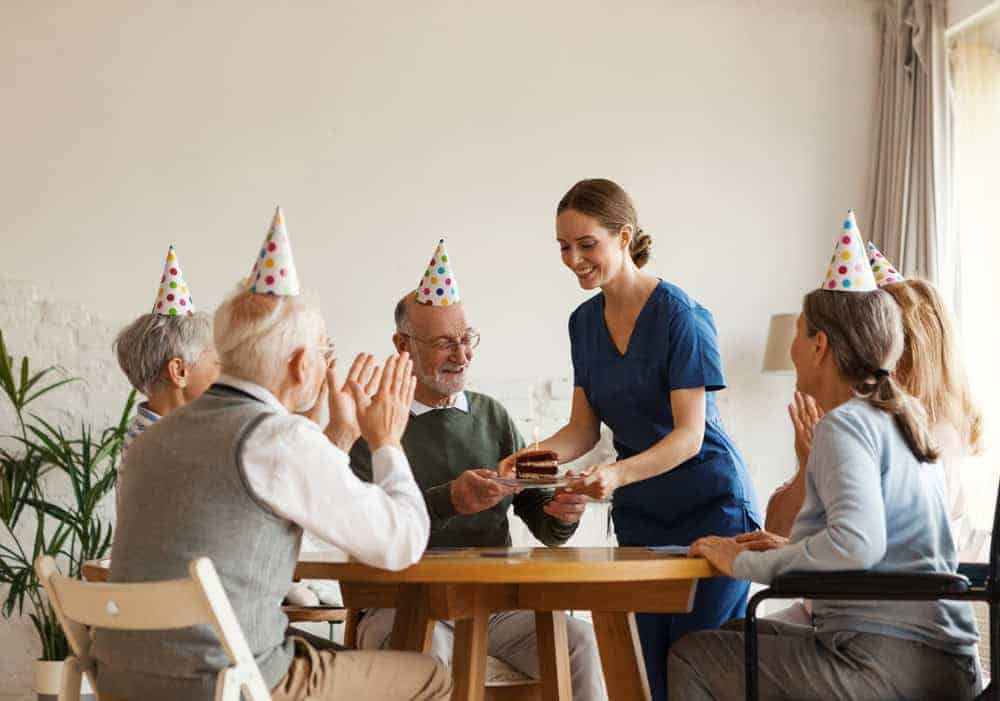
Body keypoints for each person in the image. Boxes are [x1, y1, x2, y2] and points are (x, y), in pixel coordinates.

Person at [94, 211, 451, 701]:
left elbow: (244, 525)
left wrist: (343, 431)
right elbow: (401, 544)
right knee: (431, 674)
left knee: (319, 652)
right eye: (323, 350)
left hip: (122, 676)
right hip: (224, 681)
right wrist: (386, 439)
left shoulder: (152, 438)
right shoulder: (278, 437)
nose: (327, 361)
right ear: (303, 363)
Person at [669, 214, 981, 700]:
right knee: (731, 641)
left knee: (691, 655)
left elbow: (857, 545)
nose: (790, 348)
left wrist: (741, 563)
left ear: (819, 346)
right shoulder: (903, 416)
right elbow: (875, 544)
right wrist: (786, 552)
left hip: (884, 664)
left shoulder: (846, 423)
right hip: (942, 662)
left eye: (797, 333)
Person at [501, 178, 760, 700]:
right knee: (643, 680)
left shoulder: (681, 316)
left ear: (624, 237)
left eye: (585, 244)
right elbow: (582, 430)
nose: (573, 258)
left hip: (712, 511)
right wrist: (526, 461)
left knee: (699, 674)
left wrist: (615, 474)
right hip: (644, 518)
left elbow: (689, 437)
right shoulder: (583, 323)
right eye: (563, 247)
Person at [352, 239, 604, 700]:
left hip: (496, 605)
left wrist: (563, 515)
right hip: (400, 602)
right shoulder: (373, 421)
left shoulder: (492, 416)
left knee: (581, 642)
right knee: (429, 656)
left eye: (467, 338)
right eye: (444, 342)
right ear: (401, 345)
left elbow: (538, 516)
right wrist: (449, 499)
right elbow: (367, 528)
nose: (461, 355)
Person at [113, 246, 219, 457]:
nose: (225, 376)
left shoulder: (171, 434)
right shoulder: (163, 451)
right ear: (179, 371)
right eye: (218, 363)